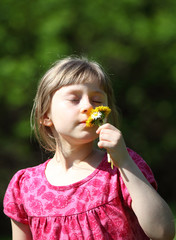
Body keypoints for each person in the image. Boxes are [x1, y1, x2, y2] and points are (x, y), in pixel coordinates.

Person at [3, 56, 175, 240]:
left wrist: (124, 162)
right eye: (74, 99)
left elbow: (163, 232)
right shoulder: (25, 185)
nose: (88, 107)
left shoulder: (121, 167)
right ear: (46, 116)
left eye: (97, 101)